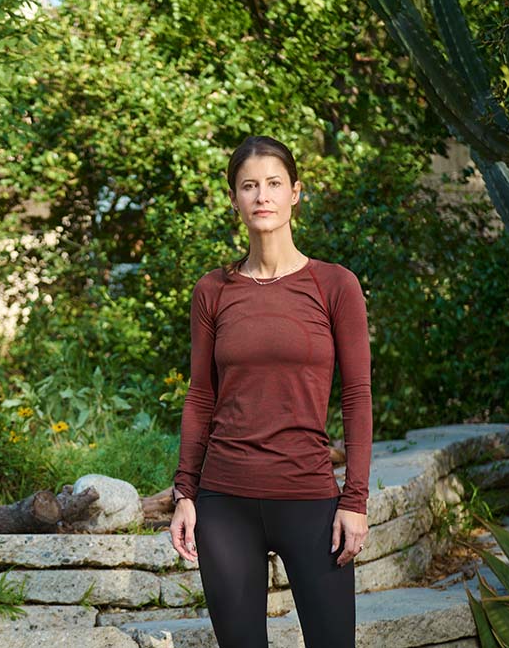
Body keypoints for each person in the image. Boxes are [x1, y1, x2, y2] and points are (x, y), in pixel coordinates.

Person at [169, 136, 372, 647]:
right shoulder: (213, 290)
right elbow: (200, 396)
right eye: (249, 185)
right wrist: (185, 493)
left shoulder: (335, 285)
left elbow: (357, 395)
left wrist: (356, 500)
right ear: (234, 198)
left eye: (274, 184)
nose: (262, 196)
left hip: (309, 498)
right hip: (224, 503)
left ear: (295, 193)